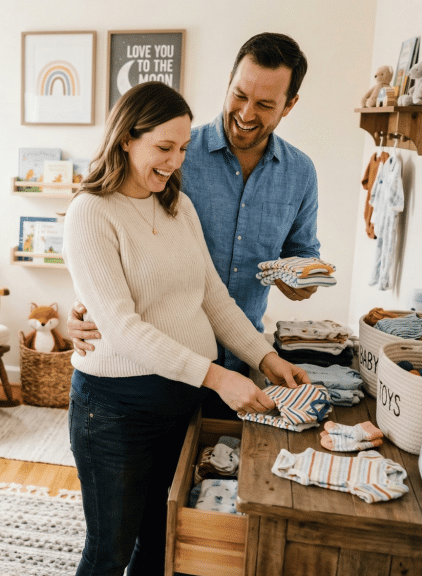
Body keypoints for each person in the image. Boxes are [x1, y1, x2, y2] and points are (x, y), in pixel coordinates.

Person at [62, 81, 309, 576]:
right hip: (116, 413)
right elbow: (122, 328)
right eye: (163, 148)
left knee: (160, 542)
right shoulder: (91, 213)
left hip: (179, 404)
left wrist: (267, 358)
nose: (175, 162)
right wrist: (217, 376)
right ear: (127, 138)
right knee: (109, 550)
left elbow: (213, 298)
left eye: (181, 149)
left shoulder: (178, 206)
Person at [69, 33, 321, 418]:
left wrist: (270, 353)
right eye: (239, 95)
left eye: (265, 104)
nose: (246, 113)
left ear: (290, 105)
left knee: (216, 475)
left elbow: (218, 294)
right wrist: (90, 305)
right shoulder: (171, 158)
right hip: (150, 375)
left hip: (238, 356)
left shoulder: (298, 173)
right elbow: (119, 285)